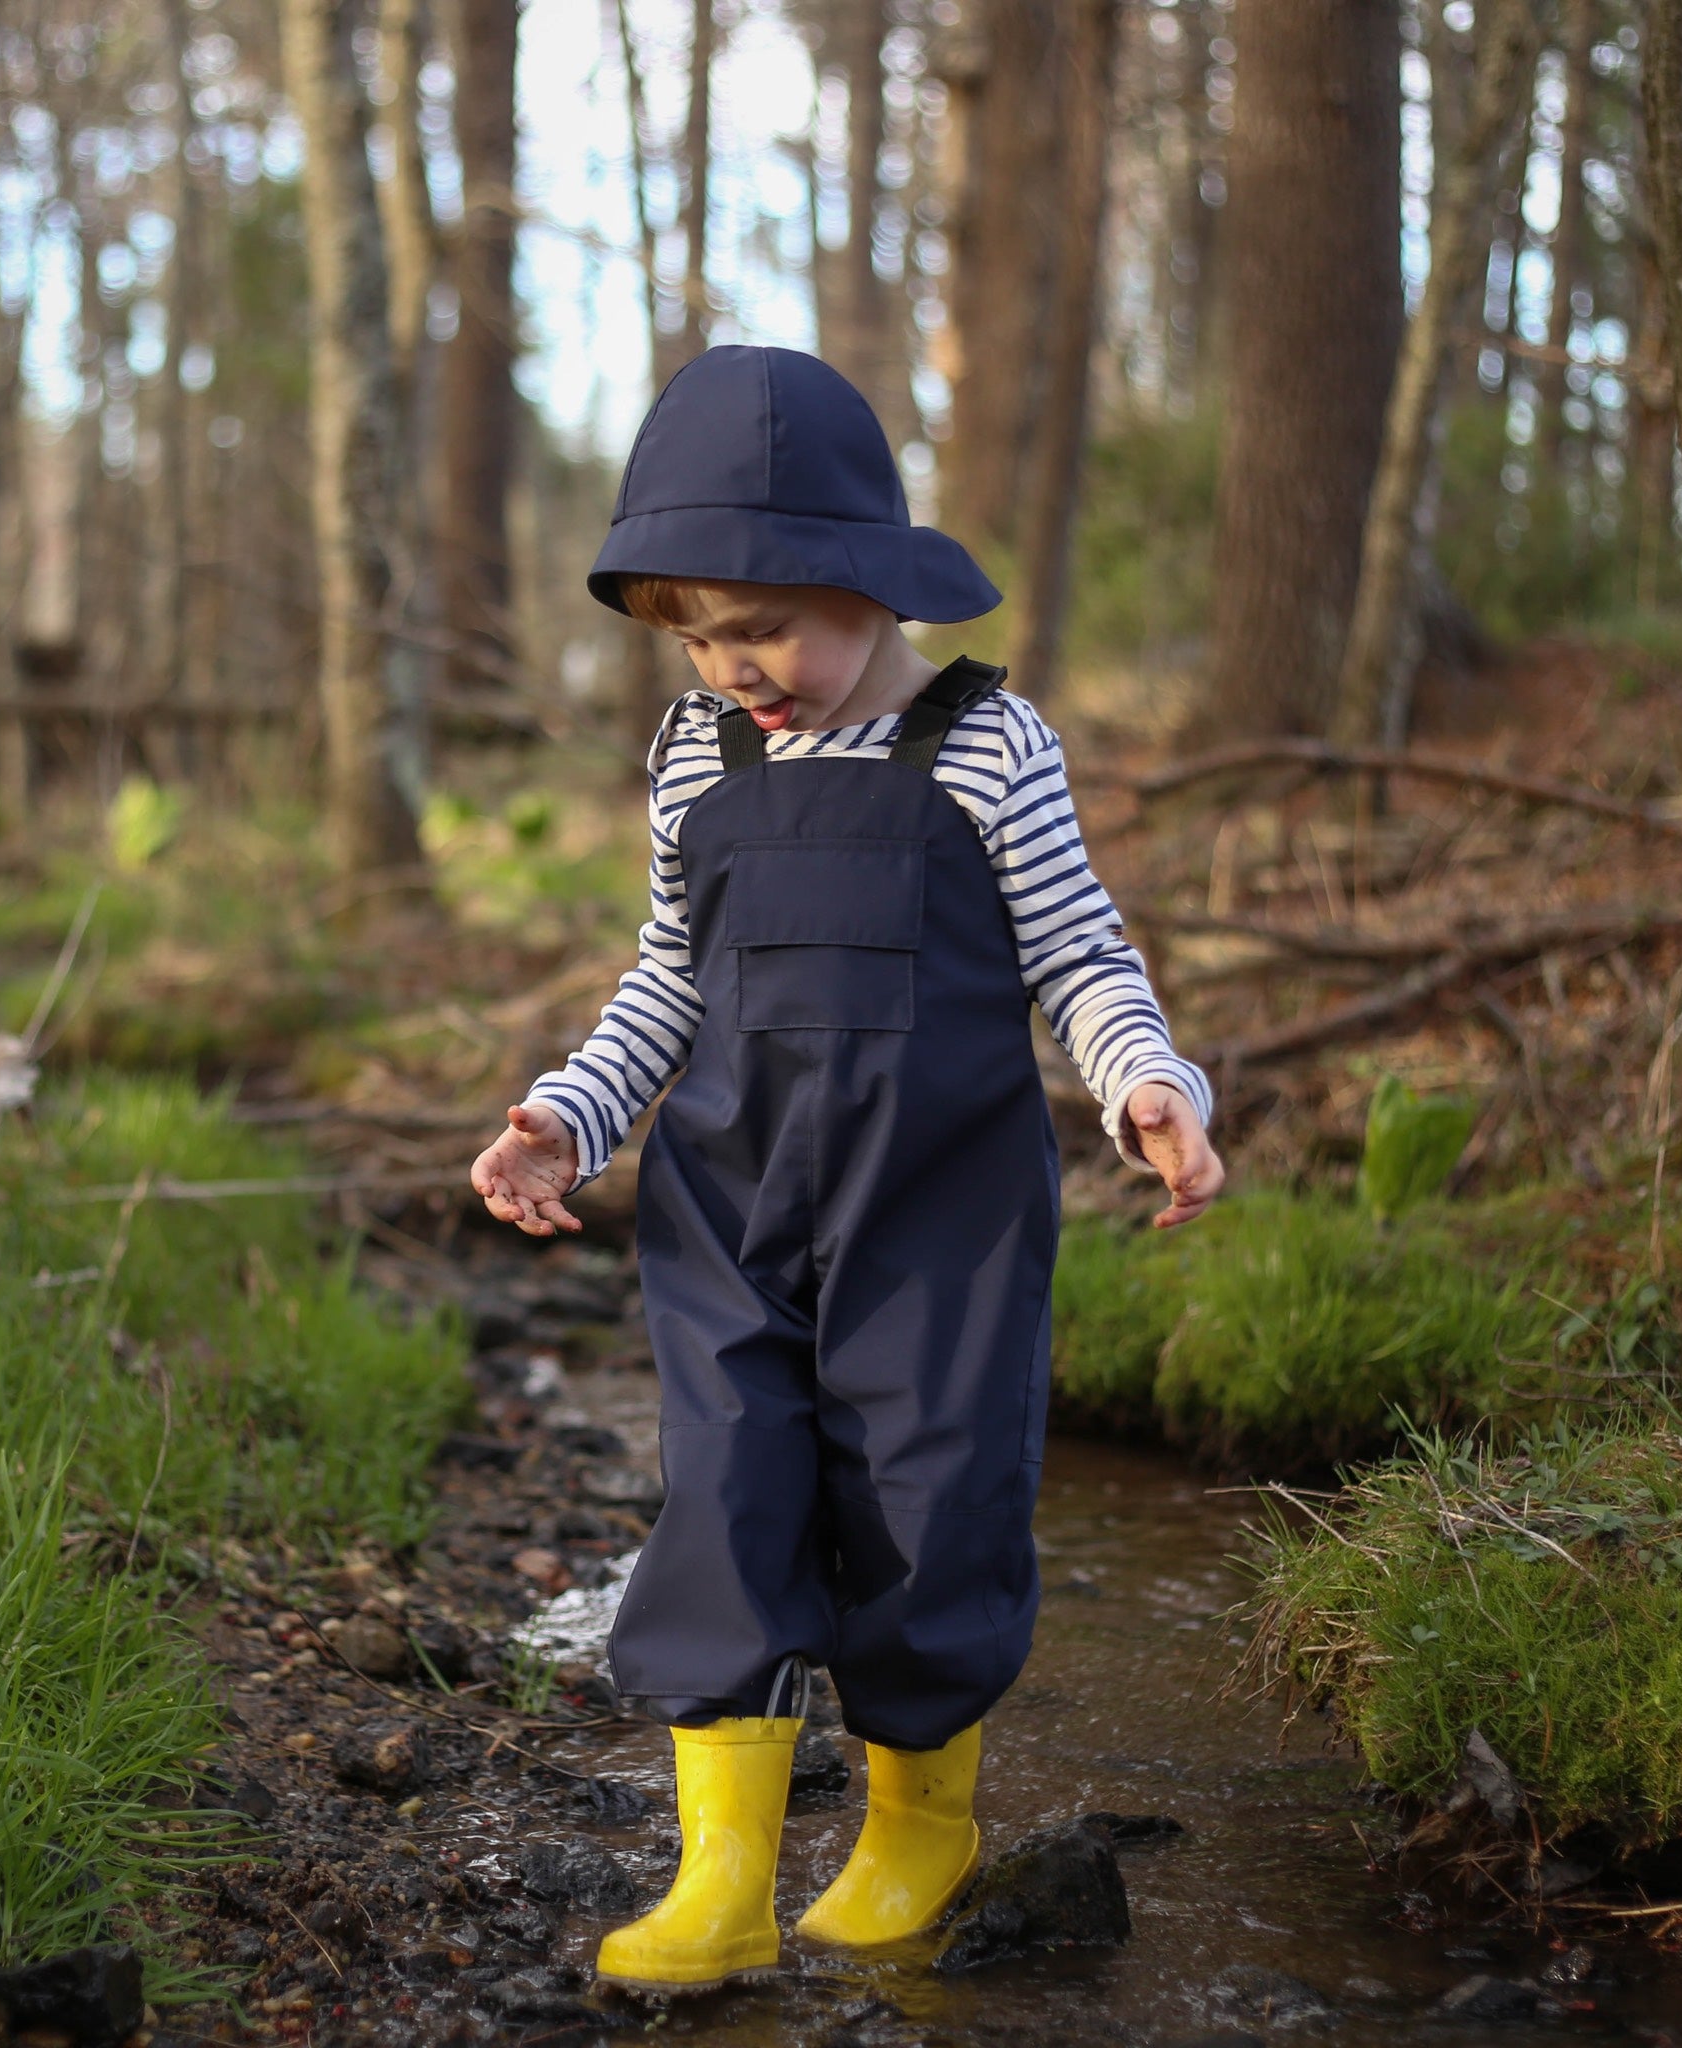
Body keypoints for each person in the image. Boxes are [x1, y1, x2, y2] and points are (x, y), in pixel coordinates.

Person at [469, 345, 1223, 1995]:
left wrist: (1147, 1078)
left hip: (936, 1221)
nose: (737, 668)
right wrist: (569, 1118)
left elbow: (1079, 950)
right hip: (732, 1210)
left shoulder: (985, 744)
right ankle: (723, 1873)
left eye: (767, 629)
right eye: (697, 637)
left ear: (870, 582)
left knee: (928, 1509)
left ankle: (915, 1826)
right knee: (729, 1500)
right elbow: (671, 972)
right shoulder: (697, 760)